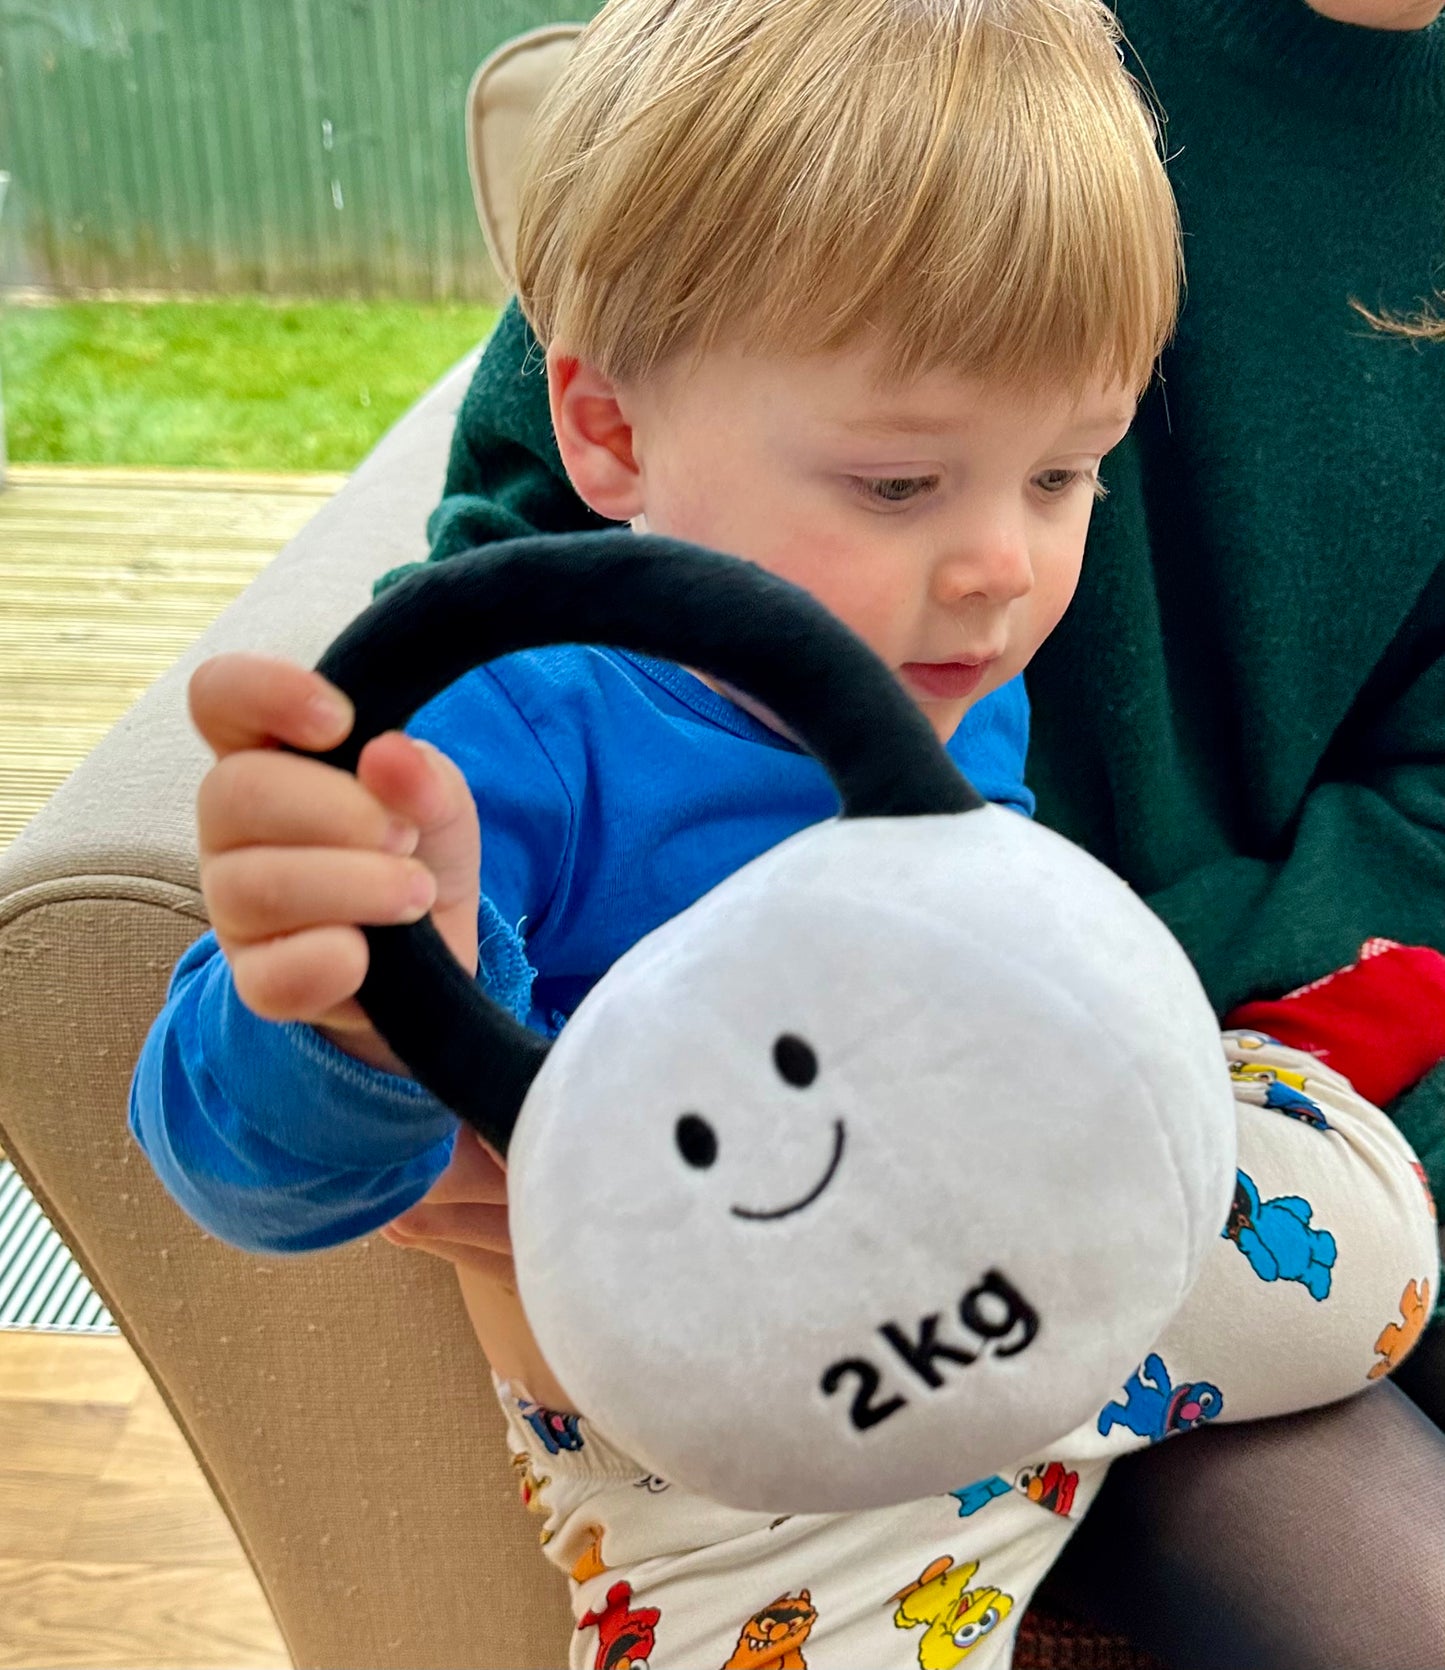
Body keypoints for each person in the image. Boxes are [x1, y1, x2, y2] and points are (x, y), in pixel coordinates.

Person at [129, 0, 1442, 1664]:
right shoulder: (514, 741)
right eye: (900, 485)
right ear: (607, 432)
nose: (1002, 569)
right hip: (737, 1437)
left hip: (1018, 1257)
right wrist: (342, 1017)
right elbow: (246, 1165)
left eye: (1062, 475)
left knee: (1370, 1243)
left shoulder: (957, 679)